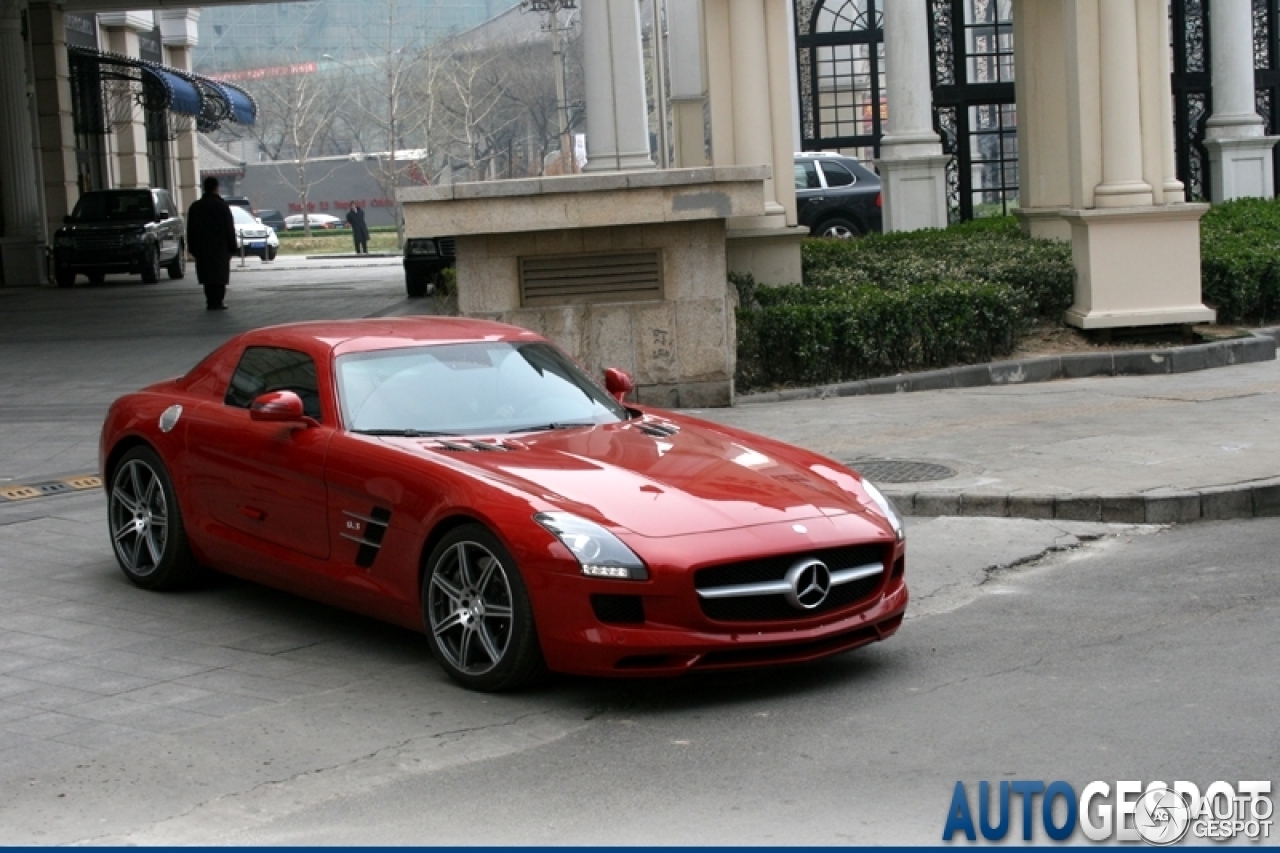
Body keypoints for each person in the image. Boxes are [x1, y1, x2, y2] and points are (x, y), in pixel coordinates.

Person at [186, 176, 238, 310]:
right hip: (220, 247)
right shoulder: (222, 206)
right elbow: (229, 228)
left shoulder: (196, 207)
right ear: (216, 187)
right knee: (219, 275)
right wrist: (233, 247)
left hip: (202, 248)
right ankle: (218, 301)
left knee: (207, 276)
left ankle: (210, 300)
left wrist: (192, 248)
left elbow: (190, 230)